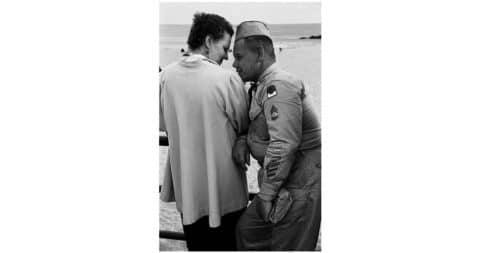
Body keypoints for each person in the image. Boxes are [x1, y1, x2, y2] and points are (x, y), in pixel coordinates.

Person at [160, 13, 250, 250]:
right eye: (225, 48)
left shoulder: (165, 77)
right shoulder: (227, 79)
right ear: (209, 41)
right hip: (226, 194)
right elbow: (244, 124)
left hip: (189, 194)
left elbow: (162, 123)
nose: (227, 56)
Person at [232, 21, 322, 250]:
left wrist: (266, 195)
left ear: (260, 54)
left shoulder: (279, 86)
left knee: (288, 245)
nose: (234, 64)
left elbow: (283, 145)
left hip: (299, 186)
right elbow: (258, 123)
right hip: (282, 183)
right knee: (247, 231)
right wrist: (243, 140)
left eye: (239, 57)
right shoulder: (261, 86)